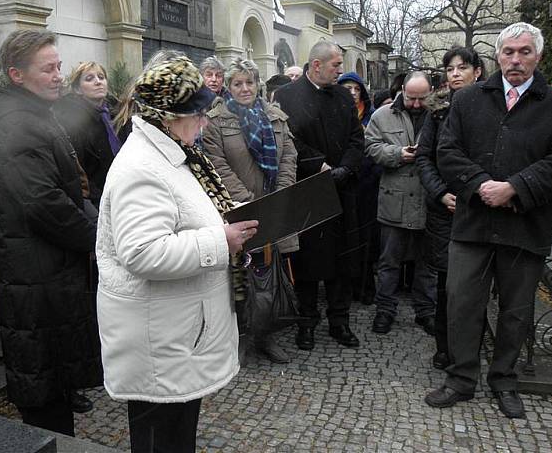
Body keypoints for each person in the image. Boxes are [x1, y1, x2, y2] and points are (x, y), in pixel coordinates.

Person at [96, 55, 258, 453]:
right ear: (168, 117)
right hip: (159, 336)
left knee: (176, 433)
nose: (204, 124)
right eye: (198, 115)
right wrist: (222, 242)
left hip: (175, 329)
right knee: (161, 439)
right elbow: (143, 253)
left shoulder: (171, 154)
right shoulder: (142, 168)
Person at [425, 22, 552, 419]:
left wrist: (514, 187)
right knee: (462, 301)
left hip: (524, 224)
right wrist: (481, 186)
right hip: (473, 223)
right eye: (509, 52)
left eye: (525, 52)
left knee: (515, 310)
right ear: (496, 56)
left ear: (538, 56)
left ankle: (504, 379)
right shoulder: (468, 100)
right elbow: (448, 152)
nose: (516, 59)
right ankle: (461, 378)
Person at [0, 30, 102, 435]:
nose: (58, 76)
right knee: (42, 380)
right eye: (47, 69)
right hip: (35, 273)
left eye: (59, 67)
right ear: (16, 75)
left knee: (54, 370)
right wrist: (96, 238)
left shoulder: (35, 116)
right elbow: (43, 203)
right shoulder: (17, 126)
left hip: (47, 269)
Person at [203, 58, 298, 364]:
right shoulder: (216, 120)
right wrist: (247, 201)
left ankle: (265, 335)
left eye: (249, 82)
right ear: (229, 87)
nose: (244, 89)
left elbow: (289, 158)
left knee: (269, 274)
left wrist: (281, 193)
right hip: (237, 210)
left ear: (258, 84)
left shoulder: (276, 117)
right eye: (237, 83)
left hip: (275, 208)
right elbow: (216, 165)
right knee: (237, 277)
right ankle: (239, 337)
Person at [274, 42, 364, 350]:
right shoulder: (287, 96)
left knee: (343, 262)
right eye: (336, 65)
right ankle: (307, 323)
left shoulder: (342, 95)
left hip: (343, 187)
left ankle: (340, 322)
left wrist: (346, 168)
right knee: (308, 262)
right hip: (309, 188)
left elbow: (356, 136)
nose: (341, 71)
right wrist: (319, 165)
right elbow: (288, 142)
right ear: (316, 65)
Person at [415, 47, 483, 370]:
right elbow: (424, 157)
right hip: (445, 209)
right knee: (445, 284)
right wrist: (441, 193)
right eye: (450, 69)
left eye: (462, 68)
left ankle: (469, 348)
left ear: (477, 72)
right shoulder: (437, 112)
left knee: (474, 285)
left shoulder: (491, 107)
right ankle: (444, 347)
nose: (455, 74)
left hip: (480, 206)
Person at [365, 71, 436, 336]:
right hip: (394, 200)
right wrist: (397, 154)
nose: (417, 104)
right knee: (389, 262)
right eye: (411, 98)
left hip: (429, 201)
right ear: (402, 91)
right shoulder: (381, 116)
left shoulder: (441, 114)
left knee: (426, 264)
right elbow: (370, 146)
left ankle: (425, 311)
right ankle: (385, 310)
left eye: (422, 99)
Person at [53, 61, 121, 207]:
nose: (98, 82)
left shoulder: (119, 114)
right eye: (89, 79)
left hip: (123, 190)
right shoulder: (72, 120)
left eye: (101, 77)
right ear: (78, 89)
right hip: (97, 198)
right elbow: (79, 170)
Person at [337, 72, 379, 306]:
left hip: (366, 184)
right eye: (347, 88)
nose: (352, 93)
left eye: (356, 88)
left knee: (366, 240)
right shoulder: (337, 113)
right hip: (344, 181)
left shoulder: (371, 116)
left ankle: (364, 287)